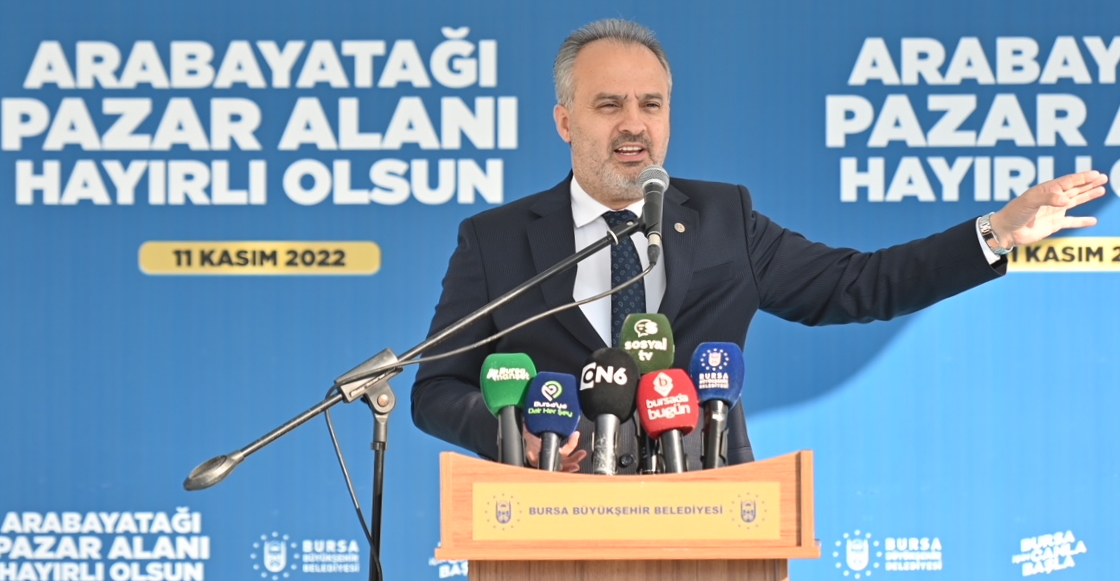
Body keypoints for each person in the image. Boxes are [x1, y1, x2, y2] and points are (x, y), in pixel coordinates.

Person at [410, 19, 1108, 473]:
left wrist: (996, 233)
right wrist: (515, 434)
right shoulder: (496, 240)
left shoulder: (724, 218)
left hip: (707, 511)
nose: (634, 125)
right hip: (549, 519)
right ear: (565, 120)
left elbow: (860, 285)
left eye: (651, 104)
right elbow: (436, 387)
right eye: (609, 105)